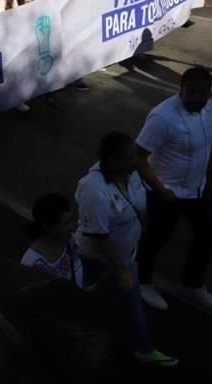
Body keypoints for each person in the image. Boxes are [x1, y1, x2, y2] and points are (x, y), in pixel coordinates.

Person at [75, 131, 178, 367]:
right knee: (90, 287)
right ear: (113, 162)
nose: (137, 161)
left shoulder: (129, 174)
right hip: (98, 256)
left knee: (122, 298)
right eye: (130, 157)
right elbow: (100, 236)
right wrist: (122, 269)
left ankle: (144, 348)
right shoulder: (95, 191)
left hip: (124, 255)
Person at [136, 67, 212, 312]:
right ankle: (143, 282)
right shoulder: (162, 118)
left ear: (209, 93)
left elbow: (208, 142)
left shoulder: (209, 109)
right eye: (190, 93)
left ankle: (192, 285)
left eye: (201, 94)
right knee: (157, 239)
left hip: (197, 188)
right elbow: (139, 157)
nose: (195, 99)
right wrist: (161, 191)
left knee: (209, 233)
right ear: (180, 90)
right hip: (167, 191)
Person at [21, 193, 83, 288]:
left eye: (72, 220)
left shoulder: (69, 241)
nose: (73, 227)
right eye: (66, 224)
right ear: (47, 227)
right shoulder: (31, 264)